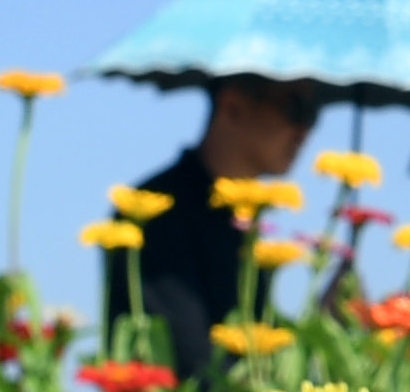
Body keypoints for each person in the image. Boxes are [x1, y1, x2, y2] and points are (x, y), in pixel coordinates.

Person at [108, 75, 327, 375]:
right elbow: (184, 358)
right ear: (233, 106)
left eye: (313, 114)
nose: (304, 131)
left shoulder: (246, 221)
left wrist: (326, 322)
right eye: (295, 109)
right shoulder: (152, 210)